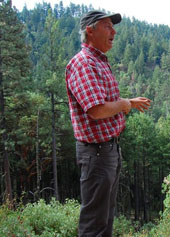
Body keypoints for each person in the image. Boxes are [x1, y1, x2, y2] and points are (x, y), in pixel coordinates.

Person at [65, 10, 151, 237]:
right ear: (90, 31)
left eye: (113, 27)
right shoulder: (84, 64)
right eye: (107, 26)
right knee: (95, 223)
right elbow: (96, 109)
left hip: (107, 151)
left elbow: (103, 103)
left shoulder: (99, 61)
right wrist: (126, 104)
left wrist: (128, 102)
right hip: (97, 154)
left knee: (105, 218)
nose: (113, 31)